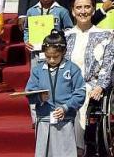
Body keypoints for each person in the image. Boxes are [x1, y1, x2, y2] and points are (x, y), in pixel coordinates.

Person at [64, 0, 114, 151]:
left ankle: (78, 149)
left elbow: (107, 66)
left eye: (87, 7)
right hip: (66, 84)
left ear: (94, 10)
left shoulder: (105, 35)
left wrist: (100, 86)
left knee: (79, 101)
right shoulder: (65, 36)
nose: (83, 11)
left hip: (91, 85)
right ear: (73, 11)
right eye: (78, 7)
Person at [26, 29, 86, 157]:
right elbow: (29, 92)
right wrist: (39, 97)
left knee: (65, 151)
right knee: (45, 152)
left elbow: (80, 92)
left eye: (55, 57)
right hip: (44, 118)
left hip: (65, 118)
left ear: (63, 52)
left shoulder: (72, 69)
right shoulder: (38, 70)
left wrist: (66, 107)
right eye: (48, 57)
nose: (52, 60)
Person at [23, 0, 73, 64]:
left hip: (56, 52)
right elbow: (27, 29)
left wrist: (60, 38)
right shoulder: (31, 11)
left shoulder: (62, 11)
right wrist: (27, 40)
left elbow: (69, 30)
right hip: (37, 52)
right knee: (37, 74)